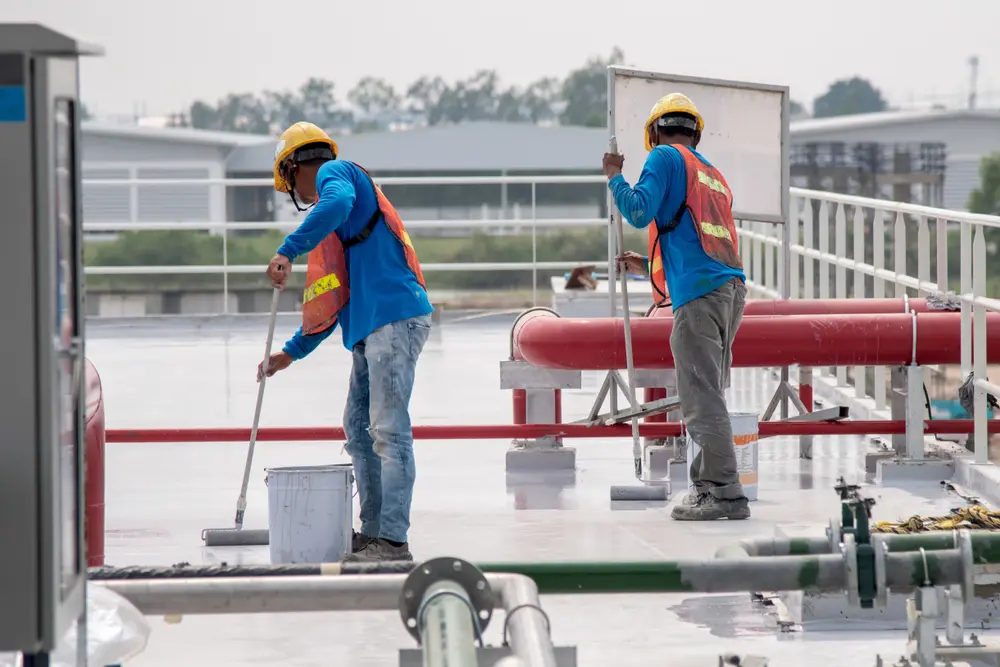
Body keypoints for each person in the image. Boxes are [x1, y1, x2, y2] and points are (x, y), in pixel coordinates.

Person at [259, 121, 434, 561]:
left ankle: (393, 541)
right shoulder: (336, 213)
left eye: (288, 182)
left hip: (393, 320)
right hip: (371, 329)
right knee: (359, 431)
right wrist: (289, 353)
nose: (295, 193)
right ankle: (374, 532)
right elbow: (330, 297)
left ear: (296, 166)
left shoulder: (334, 173)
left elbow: (335, 202)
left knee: (389, 431)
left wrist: (288, 248)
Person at [602, 93, 750, 522]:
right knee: (709, 393)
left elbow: (636, 209)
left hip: (701, 295)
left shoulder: (664, 157)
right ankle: (711, 487)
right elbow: (694, 237)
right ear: (695, 131)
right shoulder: (710, 173)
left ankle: (724, 493)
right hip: (729, 289)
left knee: (701, 396)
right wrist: (647, 264)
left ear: (654, 133)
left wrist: (614, 176)